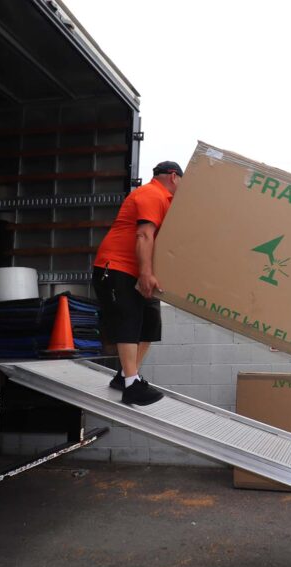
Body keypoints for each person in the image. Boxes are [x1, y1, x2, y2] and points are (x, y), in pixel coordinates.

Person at [92, 161, 183, 406]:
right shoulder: (152, 194)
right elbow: (144, 235)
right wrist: (145, 273)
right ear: (174, 177)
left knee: (151, 323)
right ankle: (132, 384)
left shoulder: (167, 201)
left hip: (137, 271)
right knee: (129, 320)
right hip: (116, 268)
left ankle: (124, 376)